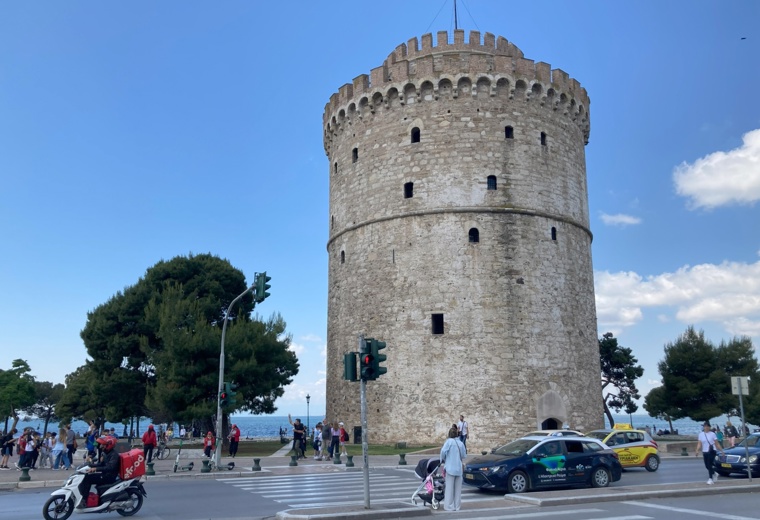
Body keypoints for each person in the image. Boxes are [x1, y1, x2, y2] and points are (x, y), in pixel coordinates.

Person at [76, 436, 120, 508]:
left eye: (103, 445)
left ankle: (84, 500)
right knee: (85, 476)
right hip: (105, 474)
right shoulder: (106, 453)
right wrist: (89, 465)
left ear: (108, 445)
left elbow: (110, 467)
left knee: (87, 479)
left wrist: (95, 469)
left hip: (109, 476)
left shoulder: (114, 455)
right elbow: (101, 464)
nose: (101, 446)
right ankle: (83, 497)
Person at [440, 426, 467, 512]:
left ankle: (449, 506)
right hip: (458, 468)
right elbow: (464, 455)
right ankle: (457, 506)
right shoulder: (461, 443)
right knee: (458, 490)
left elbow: (443, 452)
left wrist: (443, 459)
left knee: (449, 489)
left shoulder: (448, 442)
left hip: (450, 468)